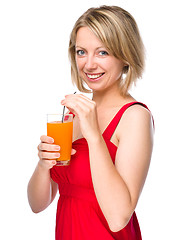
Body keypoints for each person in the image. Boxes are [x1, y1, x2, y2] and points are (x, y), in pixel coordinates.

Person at [27, 5, 154, 240]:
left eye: (102, 52)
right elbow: (37, 205)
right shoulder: (72, 114)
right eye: (81, 52)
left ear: (125, 55)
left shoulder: (135, 116)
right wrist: (43, 165)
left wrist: (94, 136)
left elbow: (118, 217)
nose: (89, 64)